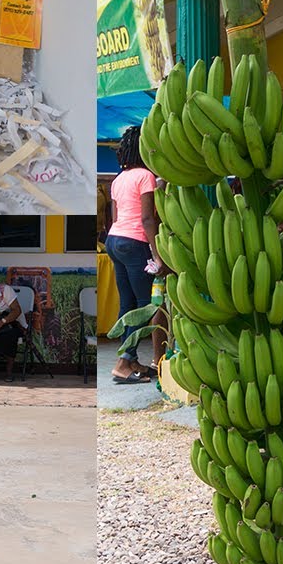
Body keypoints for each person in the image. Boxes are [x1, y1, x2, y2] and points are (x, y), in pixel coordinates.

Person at [106, 125, 163, 384]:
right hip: (134, 242)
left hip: (114, 240)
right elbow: (147, 219)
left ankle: (130, 360)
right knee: (145, 305)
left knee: (127, 304)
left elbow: (116, 216)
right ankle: (123, 363)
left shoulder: (119, 179)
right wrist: (157, 255)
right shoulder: (146, 176)